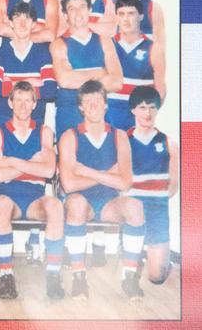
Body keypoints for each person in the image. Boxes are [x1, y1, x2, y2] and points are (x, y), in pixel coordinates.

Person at [59, 80, 145, 301]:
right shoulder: (69, 137)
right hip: (81, 202)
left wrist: (86, 171)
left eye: (98, 100)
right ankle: (79, 278)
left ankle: (129, 277)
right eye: (88, 102)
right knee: (76, 203)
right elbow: (68, 184)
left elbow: (125, 182)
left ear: (106, 105)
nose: (93, 106)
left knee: (135, 207)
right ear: (80, 107)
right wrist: (109, 174)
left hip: (109, 203)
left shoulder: (119, 136)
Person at [0, 82, 65, 299]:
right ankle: (6, 275)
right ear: (10, 103)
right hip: (7, 196)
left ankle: (53, 276)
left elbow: (49, 171)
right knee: (1, 204)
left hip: (34, 199)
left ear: (34, 104)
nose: (23, 105)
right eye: (18, 100)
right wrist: (30, 163)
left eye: (28, 100)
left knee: (55, 205)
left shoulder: (44, 132)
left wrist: (11, 162)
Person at [50, 0, 122, 138]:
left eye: (82, 6)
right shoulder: (58, 43)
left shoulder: (104, 40)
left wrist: (78, 77)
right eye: (71, 8)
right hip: (70, 110)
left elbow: (117, 81)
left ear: (89, 10)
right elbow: (65, 80)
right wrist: (101, 72)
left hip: (99, 111)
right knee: (69, 158)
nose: (77, 12)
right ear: (65, 15)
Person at [127, 86, 179, 284]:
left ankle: (163, 259)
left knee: (156, 278)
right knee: (128, 273)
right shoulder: (123, 140)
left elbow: (173, 186)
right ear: (133, 110)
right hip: (132, 208)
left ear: (157, 110)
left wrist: (157, 196)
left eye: (151, 107)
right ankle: (135, 252)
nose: (147, 113)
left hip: (157, 209)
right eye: (142, 107)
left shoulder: (168, 142)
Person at [0, 1, 56, 127]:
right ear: (10, 23)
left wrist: (11, 83)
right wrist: (32, 82)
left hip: (35, 119)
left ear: (33, 24)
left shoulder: (44, 53)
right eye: (17, 18)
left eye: (26, 19)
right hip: (6, 119)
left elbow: (50, 91)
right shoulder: (0, 53)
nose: (22, 24)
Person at [107, 0, 165, 131]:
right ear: (116, 17)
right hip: (109, 116)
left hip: (137, 119)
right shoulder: (107, 44)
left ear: (141, 16)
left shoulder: (153, 48)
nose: (126, 19)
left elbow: (160, 89)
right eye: (121, 14)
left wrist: (147, 115)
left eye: (131, 13)